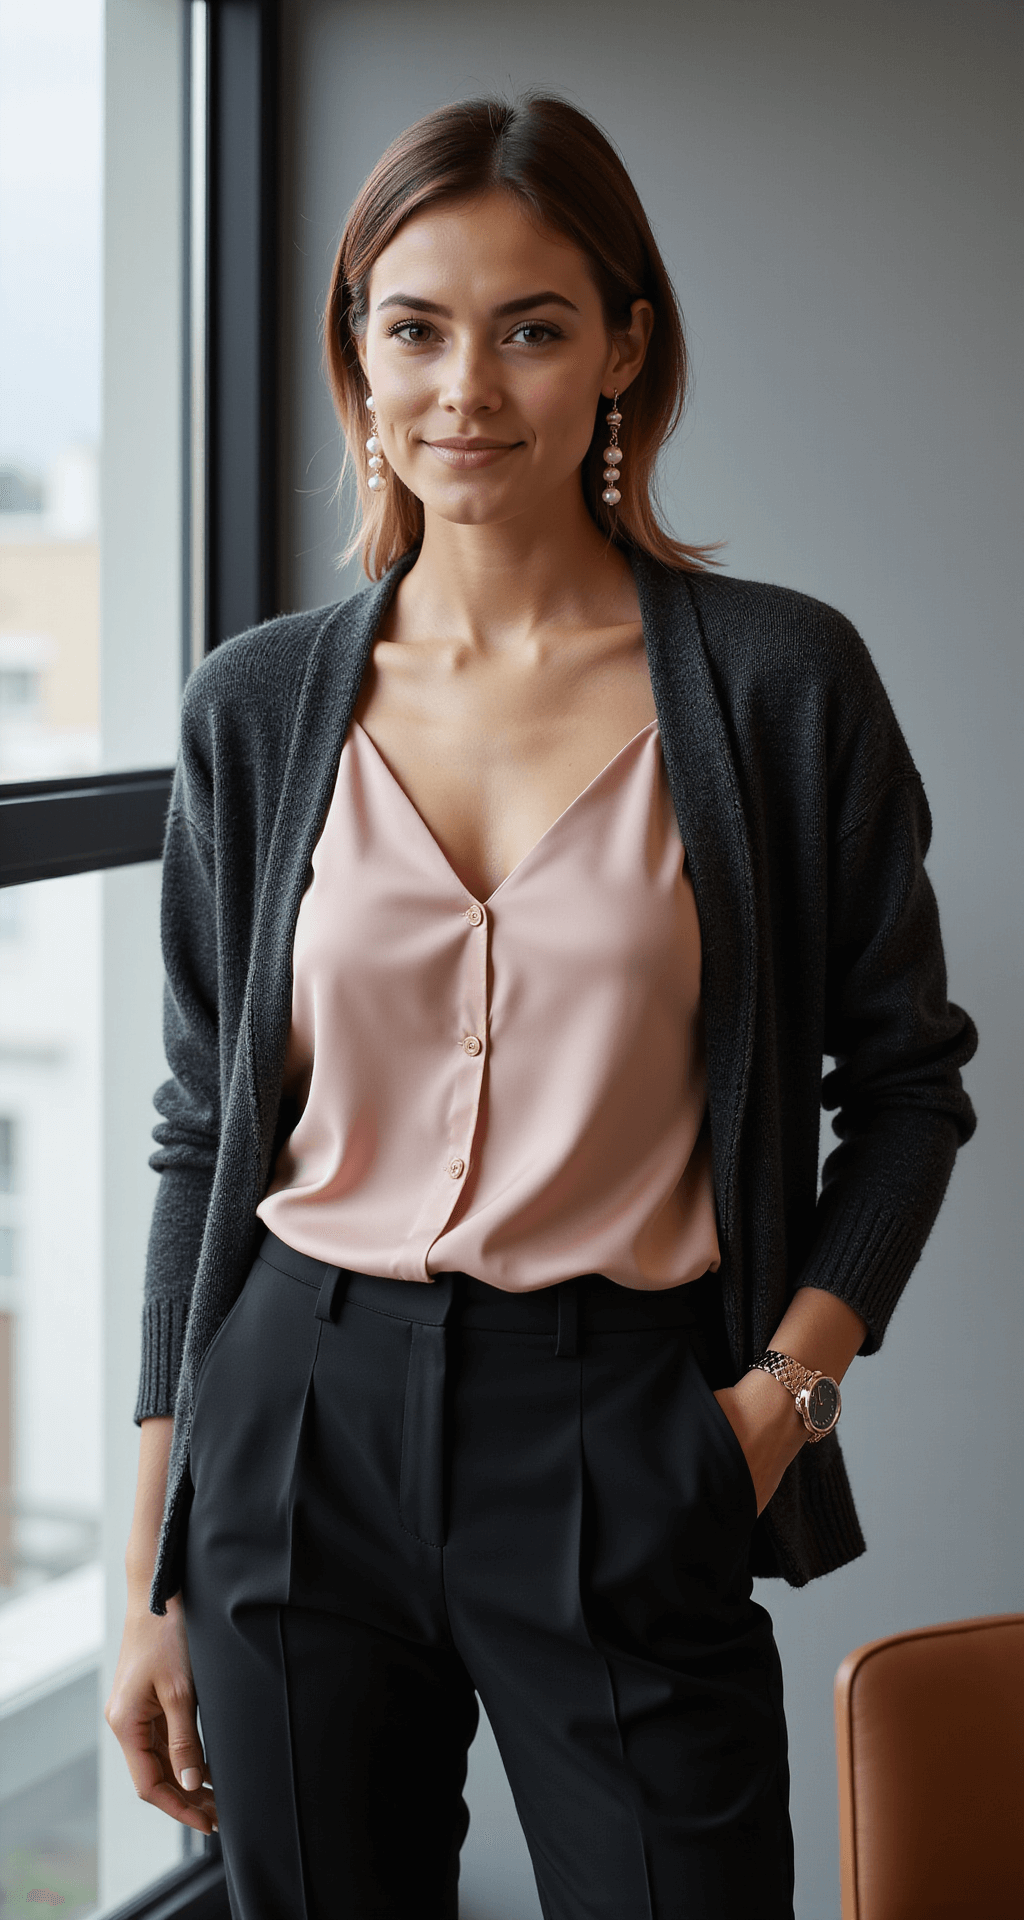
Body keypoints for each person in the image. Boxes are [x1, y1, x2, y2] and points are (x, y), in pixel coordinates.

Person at [105, 94, 977, 1920]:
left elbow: (906, 1090)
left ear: (625, 346)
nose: (464, 389)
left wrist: (777, 1403)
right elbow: (203, 1135)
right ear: (356, 346)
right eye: (414, 326)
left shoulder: (779, 682)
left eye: (531, 326)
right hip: (292, 1416)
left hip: (619, 1417)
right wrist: (150, 1573)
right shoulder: (257, 707)